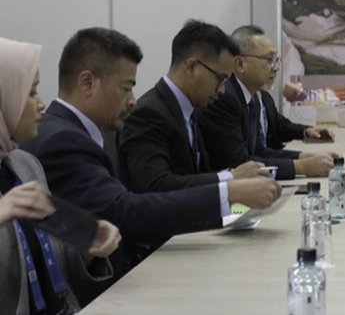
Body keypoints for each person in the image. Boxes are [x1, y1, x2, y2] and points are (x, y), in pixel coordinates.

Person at [21, 27, 281, 305]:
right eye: (126, 87)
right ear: (87, 83)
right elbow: (123, 210)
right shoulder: (62, 139)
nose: (133, 99)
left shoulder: (71, 132)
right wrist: (230, 193)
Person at [1, 37, 121, 314]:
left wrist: (88, 247)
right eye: (30, 93)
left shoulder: (25, 165)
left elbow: (45, 256)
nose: (41, 104)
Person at [119, 20, 271, 193]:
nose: (222, 90)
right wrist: (231, 178)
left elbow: (198, 174)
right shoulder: (148, 114)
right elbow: (157, 185)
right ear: (191, 67)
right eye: (219, 79)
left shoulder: (193, 110)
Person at [199, 25, 336, 180]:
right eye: (269, 59)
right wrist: (302, 167)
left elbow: (258, 152)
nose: (276, 67)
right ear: (240, 64)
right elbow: (239, 164)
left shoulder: (253, 97)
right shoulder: (224, 98)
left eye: (276, 59)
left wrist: (306, 157)